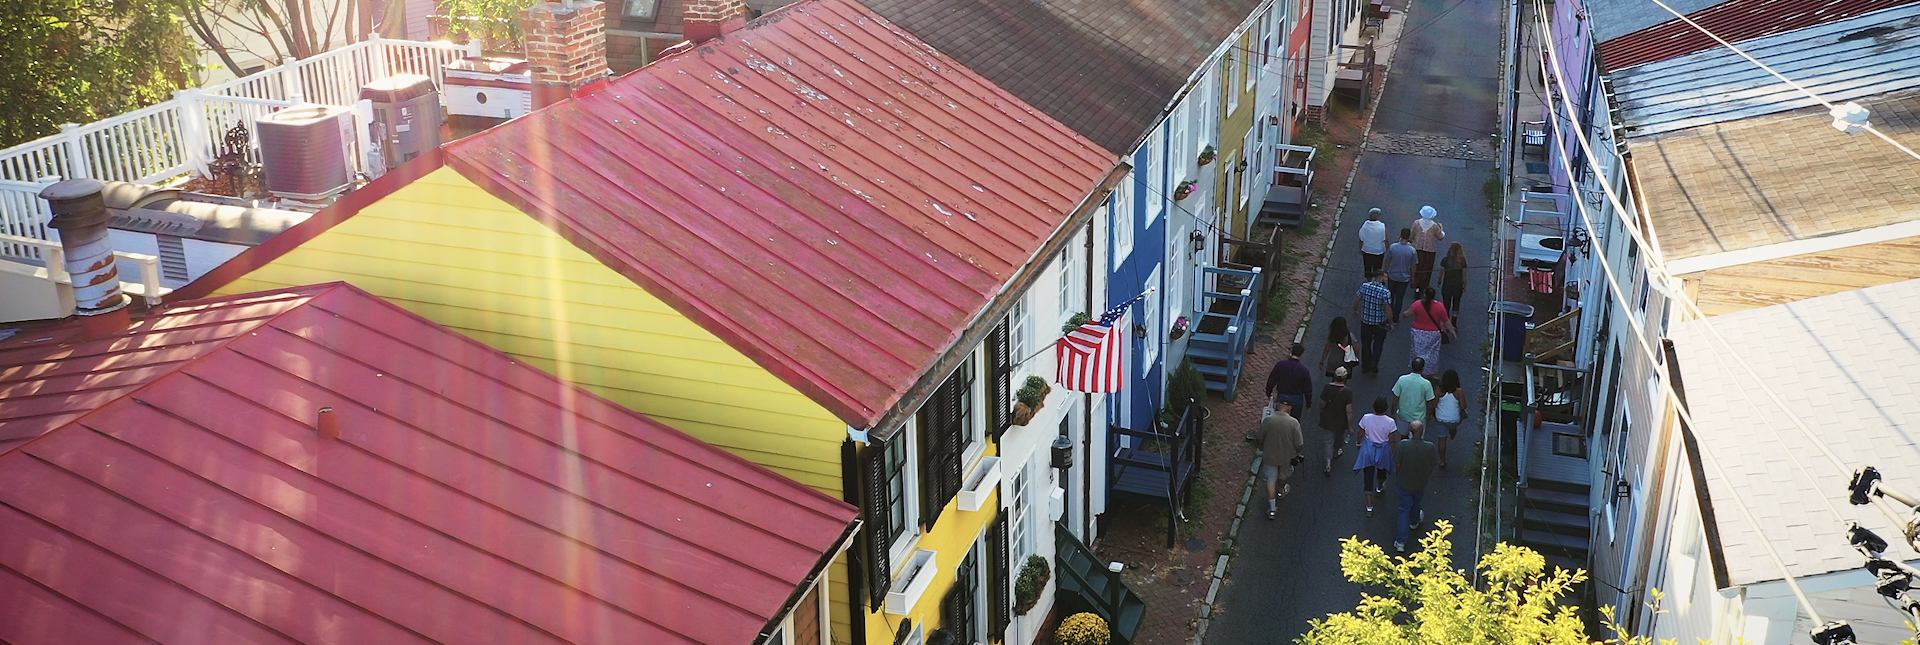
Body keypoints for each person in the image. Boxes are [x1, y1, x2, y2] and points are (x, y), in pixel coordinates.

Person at [1393, 420, 1439, 554]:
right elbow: (1431, 466)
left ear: (1410, 432)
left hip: (1404, 482)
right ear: (1422, 431)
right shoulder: (1429, 447)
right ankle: (1414, 521)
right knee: (1416, 502)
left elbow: (1398, 464)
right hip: (1420, 482)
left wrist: (1399, 476)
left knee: (1403, 510)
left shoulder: (1403, 445)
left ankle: (1401, 541)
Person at [1257, 399, 1306, 519]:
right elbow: (1299, 443)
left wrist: (1262, 447)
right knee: (1283, 476)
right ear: (1289, 408)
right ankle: (1281, 490)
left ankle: (1272, 509)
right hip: (1287, 457)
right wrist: (1297, 452)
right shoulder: (1293, 423)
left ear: (1277, 406)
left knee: (1270, 481)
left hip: (1270, 456)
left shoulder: (1268, 421)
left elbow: (1259, 438)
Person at [1354, 397, 1397, 515]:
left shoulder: (1366, 418)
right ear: (1385, 408)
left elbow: (1361, 433)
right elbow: (1392, 440)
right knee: (1382, 470)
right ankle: (1379, 487)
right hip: (1383, 449)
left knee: (1368, 475)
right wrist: (1394, 452)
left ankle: (1369, 506)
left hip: (1368, 449)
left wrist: (1358, 443)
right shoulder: (1390, 422)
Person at [1351, 271, 1394, 375]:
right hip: (1380, 323)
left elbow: (1357, 300)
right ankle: (1374, 363)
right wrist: (1391, 323)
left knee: (1366, 344)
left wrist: (1355, 310)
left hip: (1365, 321)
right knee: (1378, 343)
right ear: (1380, 277)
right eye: (1385, 277)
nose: (1387, 279)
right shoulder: (1385, 292)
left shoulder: (1365, 286)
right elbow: (1388, 310)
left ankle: (1365, 364)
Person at [1403, 287, 1453, 376]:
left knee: (1417, 352)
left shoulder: (1418, 304)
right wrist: (1453, 332)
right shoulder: (1440, 306)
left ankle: (1417, 370)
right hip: (1434, 334)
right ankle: (1430, 373)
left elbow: (1407, 314)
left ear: (1425, 295)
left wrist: (1403, 314)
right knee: (1432, 353)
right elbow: (1446, 321)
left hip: (1418, 332)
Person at [1318, 367, 1356, 475]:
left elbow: (1322, 404)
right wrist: (1350, 426)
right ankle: (1337, 451)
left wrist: (1321, 410)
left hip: (1327, 420)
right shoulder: (1347, 392)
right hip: (1341, 421)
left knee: (1327, 441)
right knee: (1339, 439)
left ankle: (1328, 464)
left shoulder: (1327, 388)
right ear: (1345, 378)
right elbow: (1349, 411)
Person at [1264, 343, 1314, 419]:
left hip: (1282, 396)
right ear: (1301, 354)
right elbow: (1308, 389)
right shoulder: (1304, 370)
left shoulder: (1281, 365)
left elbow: (1272, 380)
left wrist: (1268, 392)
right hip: (1297, 399)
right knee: (1294, 422)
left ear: (1291, 351)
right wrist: (1308, 404)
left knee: (1278, 419)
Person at [1391, 357, 1437, 439]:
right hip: (1418, 418)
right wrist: (1431, 414)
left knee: (1403, 435)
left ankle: (1404, 448)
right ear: (1423, 368)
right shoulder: (1426, 384)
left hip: (1403, 414)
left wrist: (1393, 412)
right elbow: (1430, 402)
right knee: (1417, 438)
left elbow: (1395, 398)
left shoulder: (1402, 379)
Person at [1434, 369, 1468, 468]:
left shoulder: (1439, 390)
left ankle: (1442, 461)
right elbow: (1463, 406)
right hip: (1454, 420)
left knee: (1442, 440)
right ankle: (1453, 431)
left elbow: (1434, 404)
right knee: (1453, 424)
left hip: (1440, 418)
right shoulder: (1459, 392)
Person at [1384, 229, 1417, 320]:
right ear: (1409, 237)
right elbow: (1413, 266)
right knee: (1399, 299)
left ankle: (1389, 317)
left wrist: (1386, 271)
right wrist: (1412, 277)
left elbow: (1387, 261)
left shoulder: (1393, 247)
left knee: (1390, 297)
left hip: (1393, 276)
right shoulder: (1412, 250)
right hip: (1404, 278)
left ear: (1401, 235)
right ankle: (1395, 318)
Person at [1411, 205, 1446, 290]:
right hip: (1430, 250)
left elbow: (1412, 234)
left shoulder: (1416, 223)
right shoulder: (1434, 226)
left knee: (1417, 266)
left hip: (1417, 248)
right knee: (1427, 268)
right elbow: (1440, 237)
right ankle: (1423, 285)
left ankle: (1416, 283)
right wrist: (1441, 229)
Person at [1440, 242, 1468, 316]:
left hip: (1447, 286)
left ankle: (1446, 322)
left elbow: (1441, 272)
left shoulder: (1445, 260)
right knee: (1456, 304)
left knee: (1446, 304)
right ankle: (1454, 322)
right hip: (1458, 286)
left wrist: (1439, 281)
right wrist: (1465, 286)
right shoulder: (1462, 261)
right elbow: (1464, 276)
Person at [1359, 208, 1388, 277]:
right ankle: (1376, 280)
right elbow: (1386, 239)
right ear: (1378, 216)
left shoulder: (1365, 225)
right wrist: (1389, 249)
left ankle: (1368, 280)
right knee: (1377, 268)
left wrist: (1360, 249)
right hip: (1379, 251)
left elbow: (1361, 239)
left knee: (1367, 267)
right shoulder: (1382, 226)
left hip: (1366, 250)